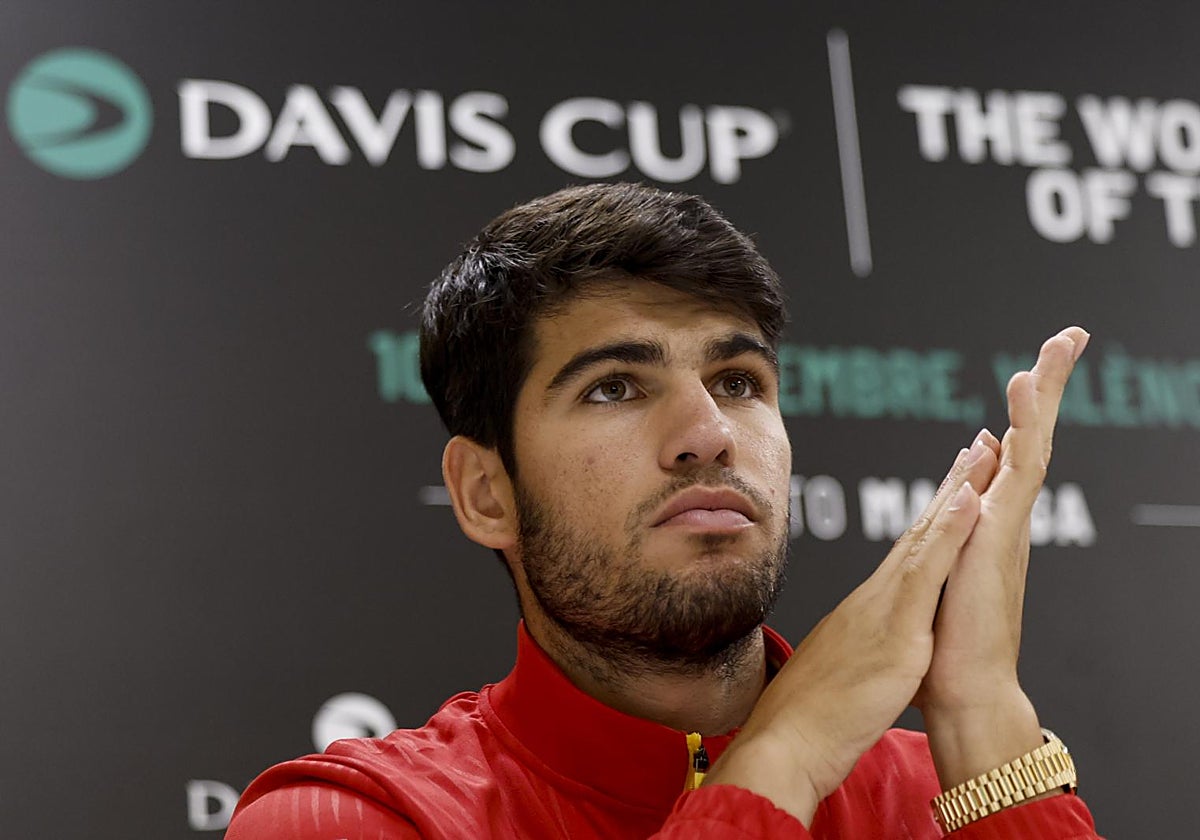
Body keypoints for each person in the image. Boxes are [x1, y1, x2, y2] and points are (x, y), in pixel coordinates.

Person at [228, 183, 1102, 838]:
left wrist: (981, 714)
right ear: (485, 493)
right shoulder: (350, 817)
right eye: (615, 387)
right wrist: (779, 758)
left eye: (737, 381)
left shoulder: (956, 786)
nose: (710, 434)